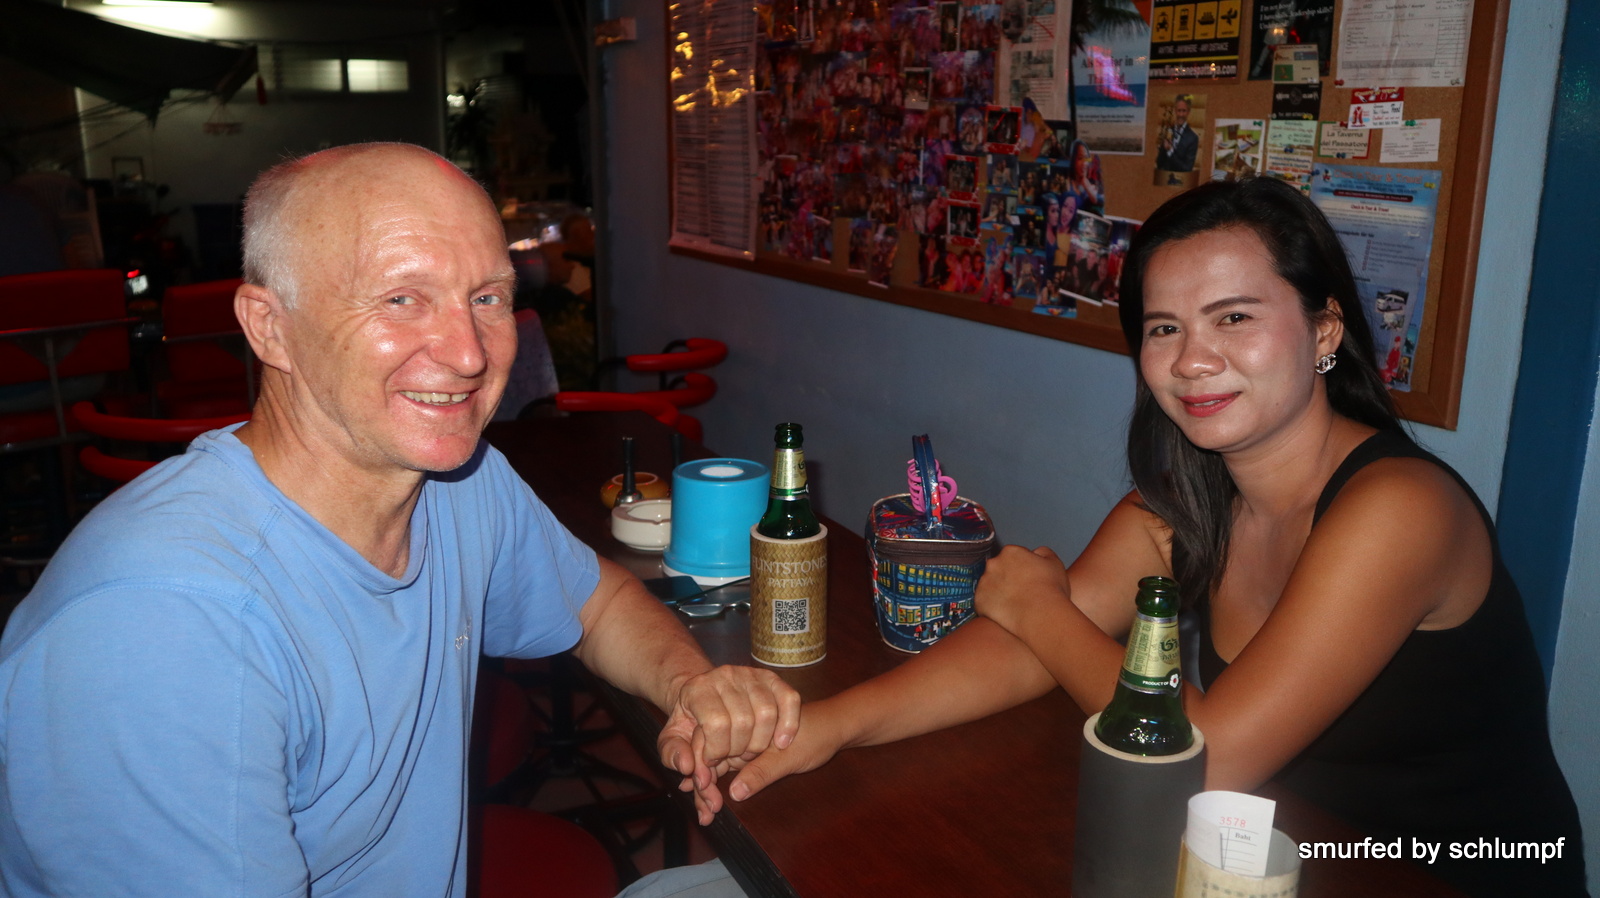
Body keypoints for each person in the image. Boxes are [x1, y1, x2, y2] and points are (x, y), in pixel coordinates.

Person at [728, 177, 1586, 897]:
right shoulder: (1185, 498)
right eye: (1165, 327)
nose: (1191, 361)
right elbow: (1024, 652)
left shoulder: (1400, 508)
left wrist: (1039, 607)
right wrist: (828, 727)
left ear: (1324, 331)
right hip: (1272, 857)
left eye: (1234, 318)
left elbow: (1209, 761)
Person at [0, 144, 794, 897]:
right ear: (269, 325)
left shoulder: (456, 479)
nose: (470, 354)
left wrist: (690, 686)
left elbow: (596, 601)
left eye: (487, 298)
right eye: (401, 299)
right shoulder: (162, 625)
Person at [1156, 95, 1199, 173]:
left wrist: (1170, 151)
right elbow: (1159, 163)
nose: (1181, 114)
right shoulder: (1167, 132)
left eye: (1184, 111)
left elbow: (1187, 169)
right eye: (1179, 110)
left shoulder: (1193, 138)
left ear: (1188, 112)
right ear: (1175, 110)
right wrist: (1163, 149)